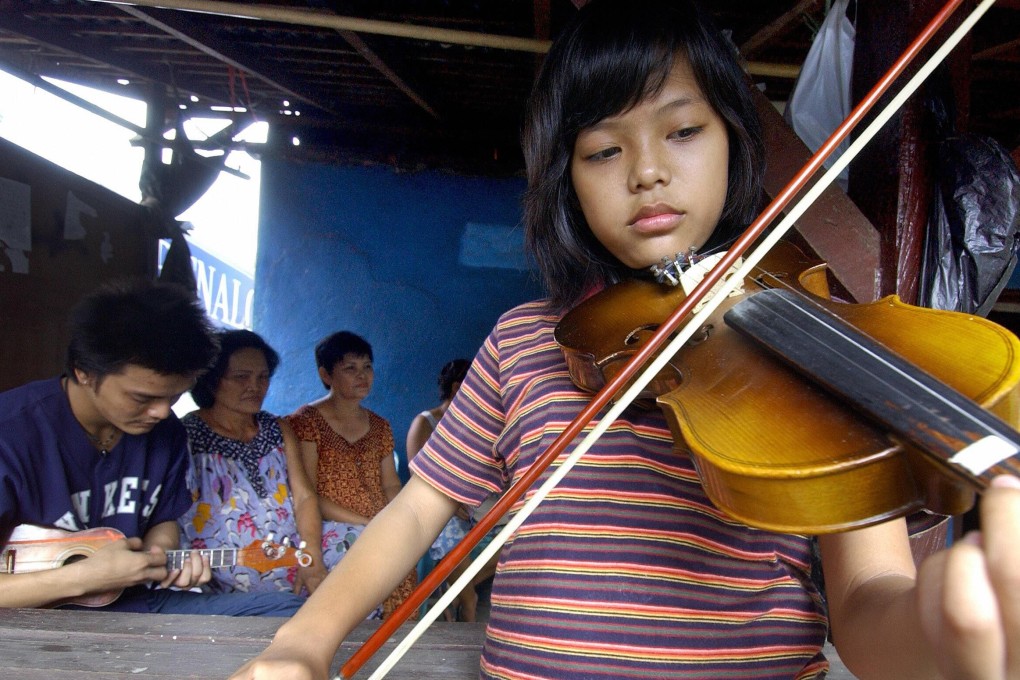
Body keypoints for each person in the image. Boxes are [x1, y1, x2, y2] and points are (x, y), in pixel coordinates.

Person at [230, 1, 1020, 678]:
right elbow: (413, 513)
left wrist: (934, 633)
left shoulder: (824, 352)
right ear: (565, 180)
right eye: (604, 150)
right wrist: (305, 643)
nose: (646, 172)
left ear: (735, 144)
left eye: (683, 132)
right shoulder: (527, 341)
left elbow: (863, 598)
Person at [0, 279, 304, 616]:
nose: (162, 412)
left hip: (134, 605)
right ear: (84, 371)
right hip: (29, 619)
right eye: (142, 398)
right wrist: (82, 579)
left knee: (292, 612)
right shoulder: (12, 433)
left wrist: (163, 557)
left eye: (173, 397)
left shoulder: (167, 433)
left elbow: (163, 520)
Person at [179, 329, 329, 599]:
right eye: (241, 377)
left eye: (262, 377)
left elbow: (304, 497)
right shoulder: (188, 434)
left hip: (292, 543)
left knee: (361, 547)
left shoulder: (276, 428)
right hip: (229, 558)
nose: (255, 386)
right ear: (212, 381)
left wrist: (311, 552)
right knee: (284, 593)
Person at [287, 331, 416, 619]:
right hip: (333, 526)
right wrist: (366, 523)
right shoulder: (306, 422)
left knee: (403, 564)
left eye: (367, 367)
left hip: (377, 523)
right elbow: (307, 494)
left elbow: (391, 484)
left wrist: (398, 519)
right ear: (326, 373)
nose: (363, 376)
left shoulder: (380, 426)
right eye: (350, 368)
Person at [407, 359, 501, 623]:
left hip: (476, 504)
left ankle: (457, 588)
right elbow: (418, 476)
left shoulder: (482, 425)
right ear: (458, 387)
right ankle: (468, 601)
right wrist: (451, 502)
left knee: (518, 533)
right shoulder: (425, 423)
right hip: (438, 504)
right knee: (449, 531)